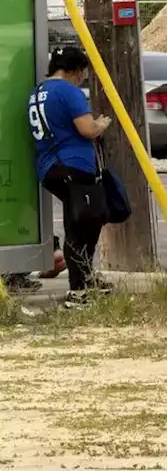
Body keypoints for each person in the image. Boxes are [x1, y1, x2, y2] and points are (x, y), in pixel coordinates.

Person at [26, 46, 114, 307]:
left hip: (49, 166)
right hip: (73, 165)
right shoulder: (68, 91)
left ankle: (87, 277)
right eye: (83, 73)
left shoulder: (37, 92)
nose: (83, 78)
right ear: (75, 71)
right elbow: (87, 129)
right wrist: (102, 125)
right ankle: (79, 290)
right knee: (80, 227)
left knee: (87, 219)